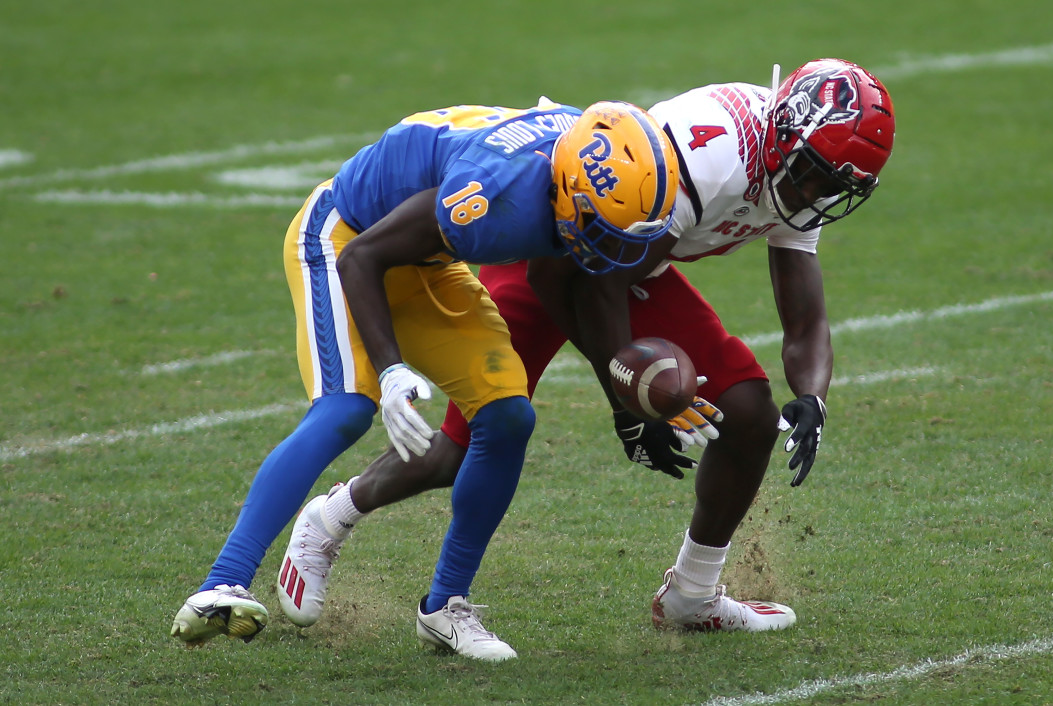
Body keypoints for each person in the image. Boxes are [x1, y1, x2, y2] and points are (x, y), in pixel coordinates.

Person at [278, 58, 895, 640]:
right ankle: (329, 521)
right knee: (464, 445)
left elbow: (803, 316)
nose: (816, 189)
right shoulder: (712, 154)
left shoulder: (798, 169)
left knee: (750, 413)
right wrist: (628, 399)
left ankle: (693, 593)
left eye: (834, 181)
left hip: (626, 264)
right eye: (813, 170)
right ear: (784, 134)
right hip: (555, 252)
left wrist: (812, 397)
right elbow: (585, 278)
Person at [170, 99, 680, 662]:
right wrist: (389, 371)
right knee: (346, 409)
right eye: (597, 225)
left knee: (508, 414)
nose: (612, 245)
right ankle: (223, 582)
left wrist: (628, 399)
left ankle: (445, 607)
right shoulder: (493, 193)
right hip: (345, 237)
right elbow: (365, 256)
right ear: (565, 187)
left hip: (427, 258)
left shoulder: (587, 165)